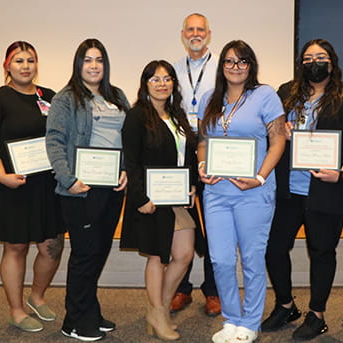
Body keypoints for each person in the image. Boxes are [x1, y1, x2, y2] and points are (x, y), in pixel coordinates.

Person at [262, 39, 343, 341]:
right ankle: (286, 305)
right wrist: (278, 128)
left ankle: (317, 314)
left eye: (320, 57)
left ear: (332, 62)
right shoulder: (285, 94)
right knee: (274, 248)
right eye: (308, 58)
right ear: (301, 64)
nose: (314, 63)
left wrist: (342, 172)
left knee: (321, 252)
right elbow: (265, 129)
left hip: (325, 190)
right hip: (288, 190)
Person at [197, 40, 286, 343]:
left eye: (242, 61)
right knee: (220, 259)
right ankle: (232, 319)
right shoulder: (210, 98)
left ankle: (250, 322)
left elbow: (277, 142)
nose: (236, 67)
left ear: (251, 66)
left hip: (254, 192)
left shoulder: (265, 96)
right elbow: (203, 142)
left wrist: (260, 178)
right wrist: (201, 165)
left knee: (251, 258)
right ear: (221, 66)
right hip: (217, 192)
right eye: (230, 62)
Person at [45, 38, 130, 342]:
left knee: (99, 251)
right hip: (80, 188)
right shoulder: (66, 98)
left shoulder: (117, 95)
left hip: (112, 187)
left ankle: (86, 312)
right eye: (88, 60)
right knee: (85, 253)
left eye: (99, 60)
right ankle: (76, 320)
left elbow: (129, 138)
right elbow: (54, 140)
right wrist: (68, 179)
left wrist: (126, 171)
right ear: (78, 64)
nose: (94, 66)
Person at [0, 41, 65, 333]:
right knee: (16, 247)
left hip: (47, 184)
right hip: (11, 184)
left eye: (30, 60)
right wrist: (1, 175)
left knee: (52, 246)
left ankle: (36, 296)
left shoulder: (50, 97)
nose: (25, 66)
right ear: (7, 66)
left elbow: (60, 137)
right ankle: (16, 311)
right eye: (19, 61)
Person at [120, 60, 199, 340]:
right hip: (151, 198)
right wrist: (140, 196)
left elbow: (187, 155)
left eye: (167, 79)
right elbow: (131, 159)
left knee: (184, 253)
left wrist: (192, 185)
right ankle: (157, 311)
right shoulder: (137, 116)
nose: (162, 83)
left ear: (174, 84)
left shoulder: (177, 114)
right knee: (156, 254)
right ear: (145, 84)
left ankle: (160, 309)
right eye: (155, 79)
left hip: (176, 195)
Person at [170, 11, 221, 317]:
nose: (195, 34)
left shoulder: (221, 69)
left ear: (209, 33)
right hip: (181, 151)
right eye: (190, 29)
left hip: (212, 150)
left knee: (213, 220)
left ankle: (212, 290)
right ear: (182, 34)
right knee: (182, 220)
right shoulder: (173, 69)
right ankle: (181, 287)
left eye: (200, 29)